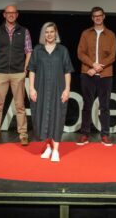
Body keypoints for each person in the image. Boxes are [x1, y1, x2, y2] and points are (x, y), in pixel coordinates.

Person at [0, 5, 32, 146]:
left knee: (20, 106)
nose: (11, 15)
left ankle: (23, 135)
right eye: (8, 13)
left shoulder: (24, 31)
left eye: (13, 13)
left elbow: (29, 51)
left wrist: (25, 70)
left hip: (18, 73)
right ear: (4, 15)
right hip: (0, 73)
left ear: (17, 15)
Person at [28, 22, 74, 162]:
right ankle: (47, 146)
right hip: (40, 89)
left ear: (56, 33)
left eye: (51, 32)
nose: (49, 34)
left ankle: (55, 150)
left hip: (58, 90)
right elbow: (32, 70)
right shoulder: (37, 50)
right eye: (46, 32)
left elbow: (67, 71)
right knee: (41, 118)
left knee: (57, 118)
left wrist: (67, 89)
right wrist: (31, 88)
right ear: (43, 34)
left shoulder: (62, 50)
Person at [76, 6, 116, 146]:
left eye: (100, 15)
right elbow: (80, 53)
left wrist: (100, 66)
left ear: (104, 16)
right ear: (92, 18)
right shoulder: (85, 33)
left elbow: (112, 56)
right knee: (87, 105)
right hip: (87, 74)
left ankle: (104, 135)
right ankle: (85, 134)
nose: (98, 18)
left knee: (104, 106)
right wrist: (92, 65)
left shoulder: (111, 34)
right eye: (95, 16)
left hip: (105, 75)